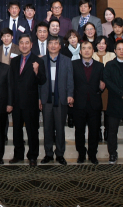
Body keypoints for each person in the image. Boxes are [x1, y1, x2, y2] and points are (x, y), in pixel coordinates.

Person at [9, 34, 47, 167]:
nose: (24, 45)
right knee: (17, 130)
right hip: (16, 102)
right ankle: (18, 155)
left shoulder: (38, 61)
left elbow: (42, 80)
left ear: (31, 45)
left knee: (32, 131)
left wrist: (37, 71)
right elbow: (11, 82)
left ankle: (32, 156)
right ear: (19, 45)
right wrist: (10, 101)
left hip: (31, 103)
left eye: (27, 43)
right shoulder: (14, 61)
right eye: (21, 43)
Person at [39, 36, 74, 165]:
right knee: (47, 128)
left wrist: (70, 94)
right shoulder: (41, 61)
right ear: (47, 47)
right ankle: (48, 153)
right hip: (46, 98)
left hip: (61, 98)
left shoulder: (66, 61)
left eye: (56, 43)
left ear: (60, 46)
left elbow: (70, 79)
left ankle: (60, 154)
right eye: (51, 44)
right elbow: (38, 82)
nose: (53, 46)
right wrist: (39, 98)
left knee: (60, 128)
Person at [72, 41, 105, 165]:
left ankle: (92, 154)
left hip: (94, 104)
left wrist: (102, 87)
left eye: (89, 48)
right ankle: (81, 154)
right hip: (78, 103)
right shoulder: (73, 64)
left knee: (94, 131)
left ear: (93, 51)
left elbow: (103, 83)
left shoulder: (100, 66)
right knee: (79, 131)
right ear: (80, 51)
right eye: (84, 48)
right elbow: (70, 83)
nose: (86, 50)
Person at [92, 36, 116, 143]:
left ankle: (107, 130)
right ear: (96, 45)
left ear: (107, 45)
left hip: (109, 88)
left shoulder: (112, 55)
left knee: (107, 110)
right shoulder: (91, 55)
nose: (101, 45)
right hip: (94, 87)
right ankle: (97, 131)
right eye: (99, 43)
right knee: (96, 111)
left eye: (103, 43)